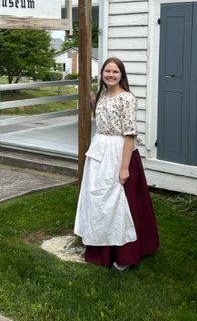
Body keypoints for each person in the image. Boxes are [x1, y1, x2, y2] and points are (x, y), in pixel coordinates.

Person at [74, 57, 159, 270]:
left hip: (119, 153)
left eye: (115, 72)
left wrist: (123, 167)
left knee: (117, 202)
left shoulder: (127, 99)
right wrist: (95, 104)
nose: (110, 75)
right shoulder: (102, 96)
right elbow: (106, 119)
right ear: (102, 74)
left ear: (122, 75)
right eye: (107, 71)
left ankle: (122, 253)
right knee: (97, 200)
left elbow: (129, 134)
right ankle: (98, 247)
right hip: (99, 152)